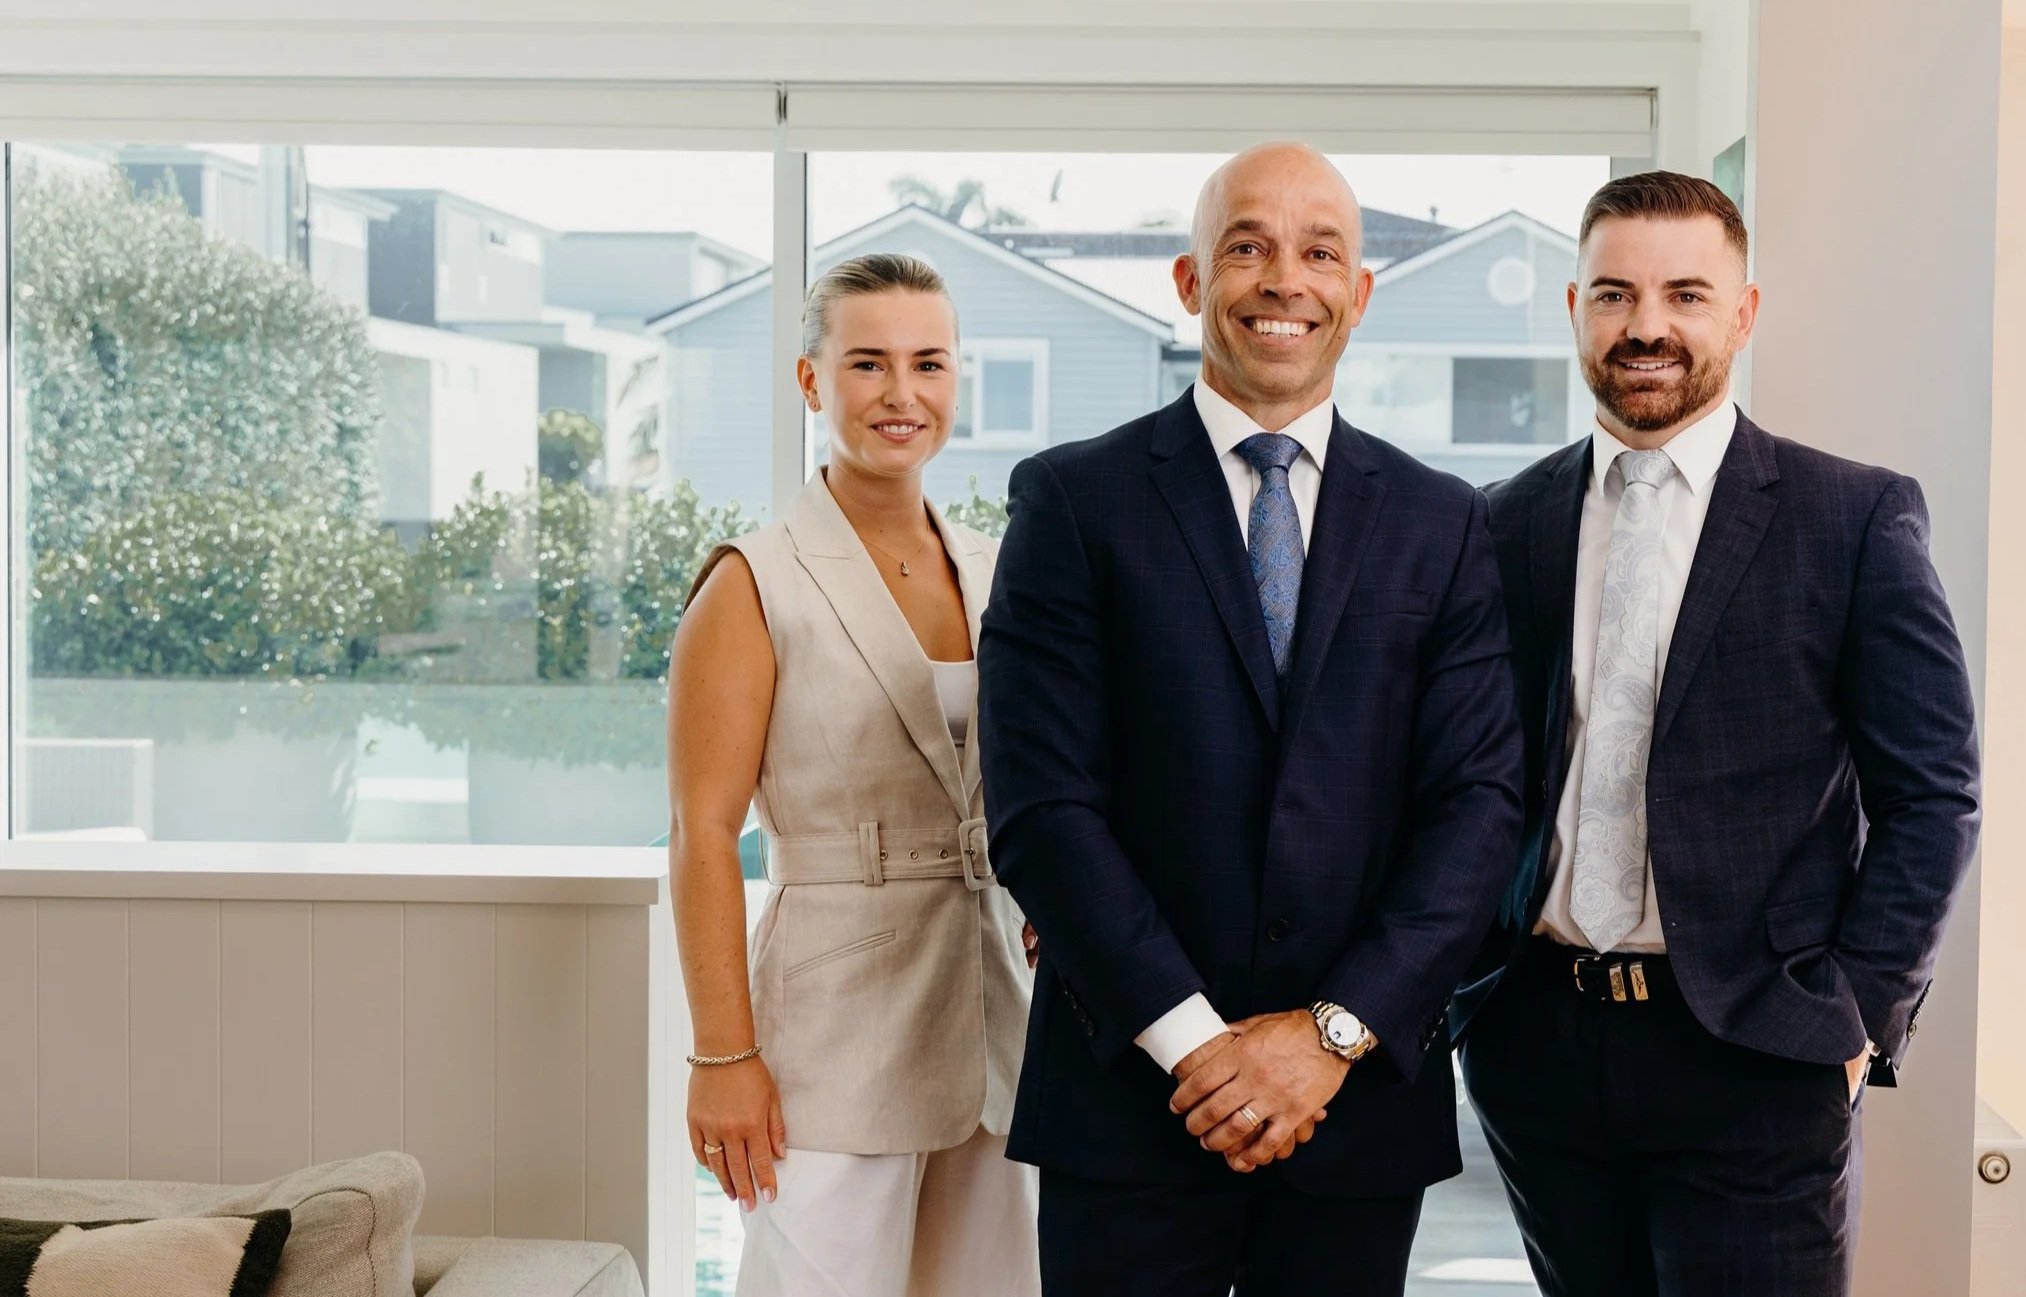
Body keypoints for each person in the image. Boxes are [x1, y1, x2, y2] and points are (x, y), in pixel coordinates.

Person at [976, 142, 1525, 1297]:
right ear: (1189, 281)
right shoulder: (1073, 500)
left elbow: (1477, 810)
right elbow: (1040, 808)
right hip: (1128, 1097)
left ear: (1359, 294)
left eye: (1320, 251)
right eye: (1248, 247)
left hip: (1355, 1108)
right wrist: (1200, 1048)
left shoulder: (1442, 522)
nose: (1287, 279)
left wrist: (1326, 1037)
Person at [1453, 171, 1981, 1297]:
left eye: (1685, 293)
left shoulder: (1851, 516)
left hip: (1756, 1048)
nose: (1646, 325)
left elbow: (1932, 792)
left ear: (1742, 313)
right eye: (1614, 294)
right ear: (1574, 311)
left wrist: (1853, 1011)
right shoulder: (1500, 524)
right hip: (1538, 1042)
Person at [666, 253, 1039, 1297]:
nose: (901, 395)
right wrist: (720, 1055)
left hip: (992, 1010)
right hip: (827, 1030)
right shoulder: (753, 580)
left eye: (929, 363)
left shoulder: (1001, 566)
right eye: (867, 363)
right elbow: (701, 833)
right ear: (810, 379)